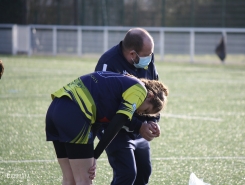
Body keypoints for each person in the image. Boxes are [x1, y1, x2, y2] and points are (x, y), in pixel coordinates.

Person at [45, 71, 168, 185]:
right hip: (75, 113)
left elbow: (98, 119)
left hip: (56, 108)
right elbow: (117, 123)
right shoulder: (140, 90)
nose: (140, 112)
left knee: (69, 179)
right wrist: (95, 155)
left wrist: (91, 154)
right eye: (146, 110)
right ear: (150, 95)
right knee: (84, 180)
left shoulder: (121, 84)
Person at [93, 27, 160, 185]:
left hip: (139, 129)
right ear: (132, 54)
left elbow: (156, 93)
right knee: (127, 174)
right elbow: (108, 108)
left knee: (144, 172)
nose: (150, 59)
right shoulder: (108, 64)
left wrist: (154, 121)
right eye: (146, 55)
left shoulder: (147, 59)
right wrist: (139, 126)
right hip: (114, 129)